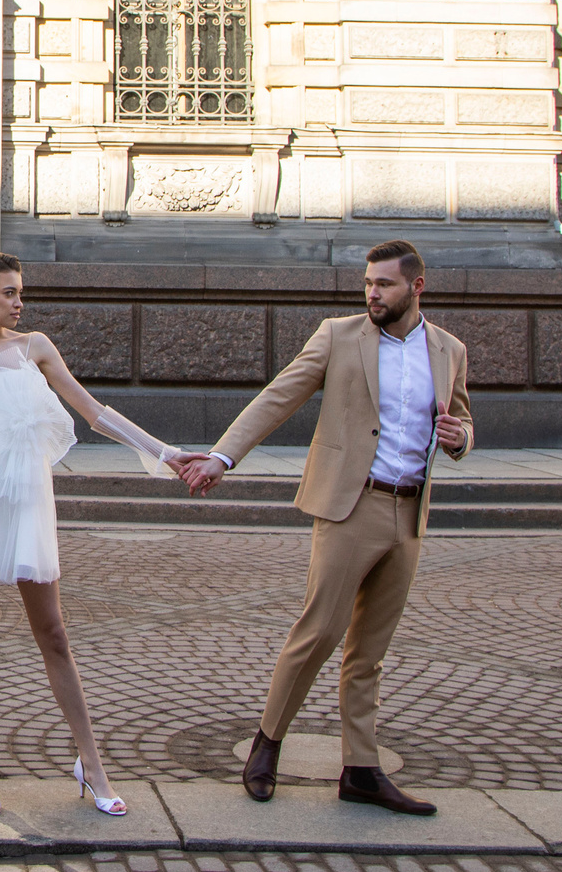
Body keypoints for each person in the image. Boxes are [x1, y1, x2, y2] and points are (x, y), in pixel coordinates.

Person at [173, 238, 472, 816]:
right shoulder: (338, 336)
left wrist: (463, 438)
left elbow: (459, 417)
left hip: (408, 513)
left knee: (370, 653)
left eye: (383, 284)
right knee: (318, 632)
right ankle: (266, 747)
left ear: (417, 287)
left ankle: (361, 769)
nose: (371, 293)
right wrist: (222, 457)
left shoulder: (448, 349)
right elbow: (277, 397)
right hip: (349, 507)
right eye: (367, 283)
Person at [0, 248, 190, 817]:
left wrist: (166, 453)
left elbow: (93, 411)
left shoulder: (34, 347)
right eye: (8, 292)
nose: (19, 301)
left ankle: (91, 762)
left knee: (53, 632)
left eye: (19, 291)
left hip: (27, 501)